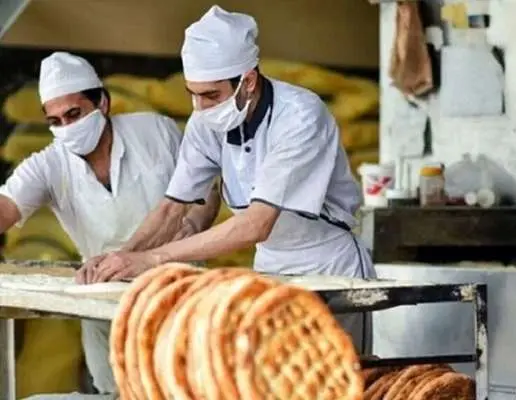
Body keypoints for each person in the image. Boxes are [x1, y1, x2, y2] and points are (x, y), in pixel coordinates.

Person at [89, 5, 376, 353]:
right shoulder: (205, 122)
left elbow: (256, 224)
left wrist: (153, 259)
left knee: (340, 372)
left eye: (211, 95)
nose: (200, 107)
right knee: (271, 374)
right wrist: (121, 258)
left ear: (248, 81)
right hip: (269, 264)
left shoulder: (300, 116)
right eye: (193, 93)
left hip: (329, 266)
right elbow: (171, 207)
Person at [2, 52, 220, 399]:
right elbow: (6, 208)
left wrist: (192, 226)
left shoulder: (155, 131)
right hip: (102, 299)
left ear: (102, 102)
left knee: (183, 389)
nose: (67, 128)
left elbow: (207, 189)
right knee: (114, 392)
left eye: (74, 114)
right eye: (55, 121)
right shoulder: (49, 165)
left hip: (175, 289)